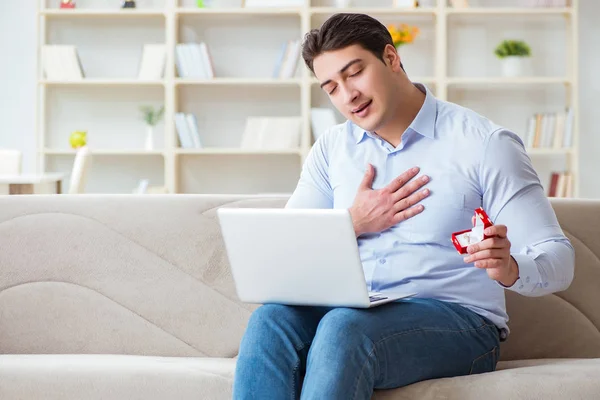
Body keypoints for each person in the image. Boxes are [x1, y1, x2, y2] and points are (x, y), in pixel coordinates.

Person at [232, 12, 575, 400]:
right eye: (331, 88)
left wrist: (510, 267)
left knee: (345, 328)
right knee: (270, 320)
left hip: (457, 321)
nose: (348, 96)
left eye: (355, 73)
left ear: (391, 58)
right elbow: (286, 252)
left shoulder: (484, 144)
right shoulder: (332, 149)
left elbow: (558, 260)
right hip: (353, 311)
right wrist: (353, 222)